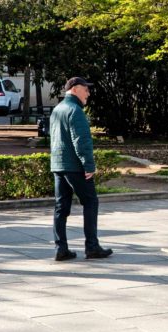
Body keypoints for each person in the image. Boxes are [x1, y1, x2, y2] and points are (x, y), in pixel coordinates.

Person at [50, 77, 113, 261]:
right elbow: (81, 141)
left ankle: (61, 249)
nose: (89, 93)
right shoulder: (75, 111)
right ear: (76, 89)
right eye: (86, 89)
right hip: (75, 167)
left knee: (61, 208)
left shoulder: (57, 109)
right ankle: (92, 247)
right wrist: (89, 165)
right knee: (91, 202)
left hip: (58, 166)